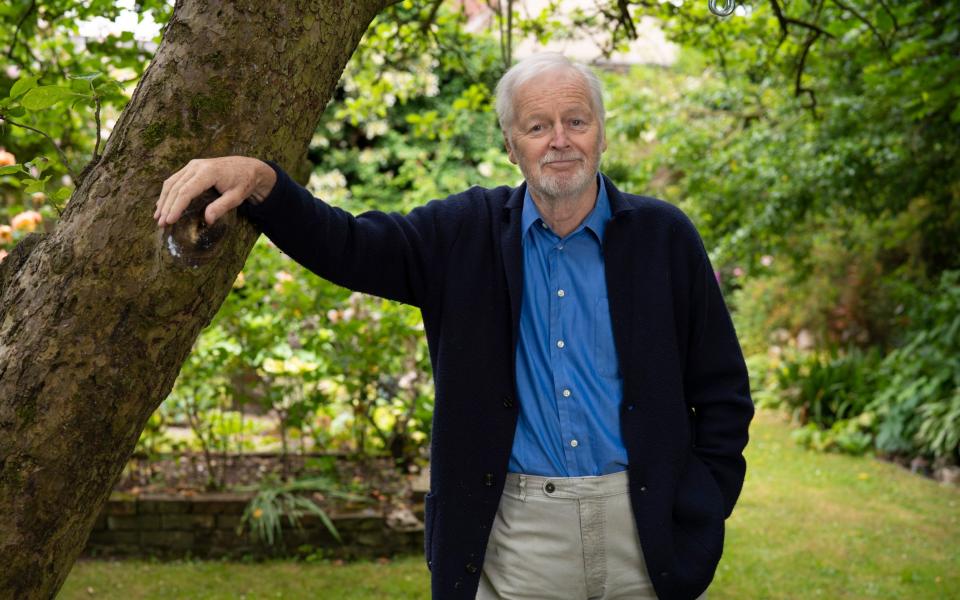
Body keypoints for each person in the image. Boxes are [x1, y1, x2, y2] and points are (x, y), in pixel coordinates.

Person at [155, 52, 753, 600]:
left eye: (576, 121)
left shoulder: (665, 237)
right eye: (537, 126)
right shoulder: (462, 232)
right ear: (511, 144)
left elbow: (722, 389)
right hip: (517, 538)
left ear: (602, 132)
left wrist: (702, 500)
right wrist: (262, 181)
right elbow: (350, 245)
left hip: (644, 536)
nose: (560, 141)